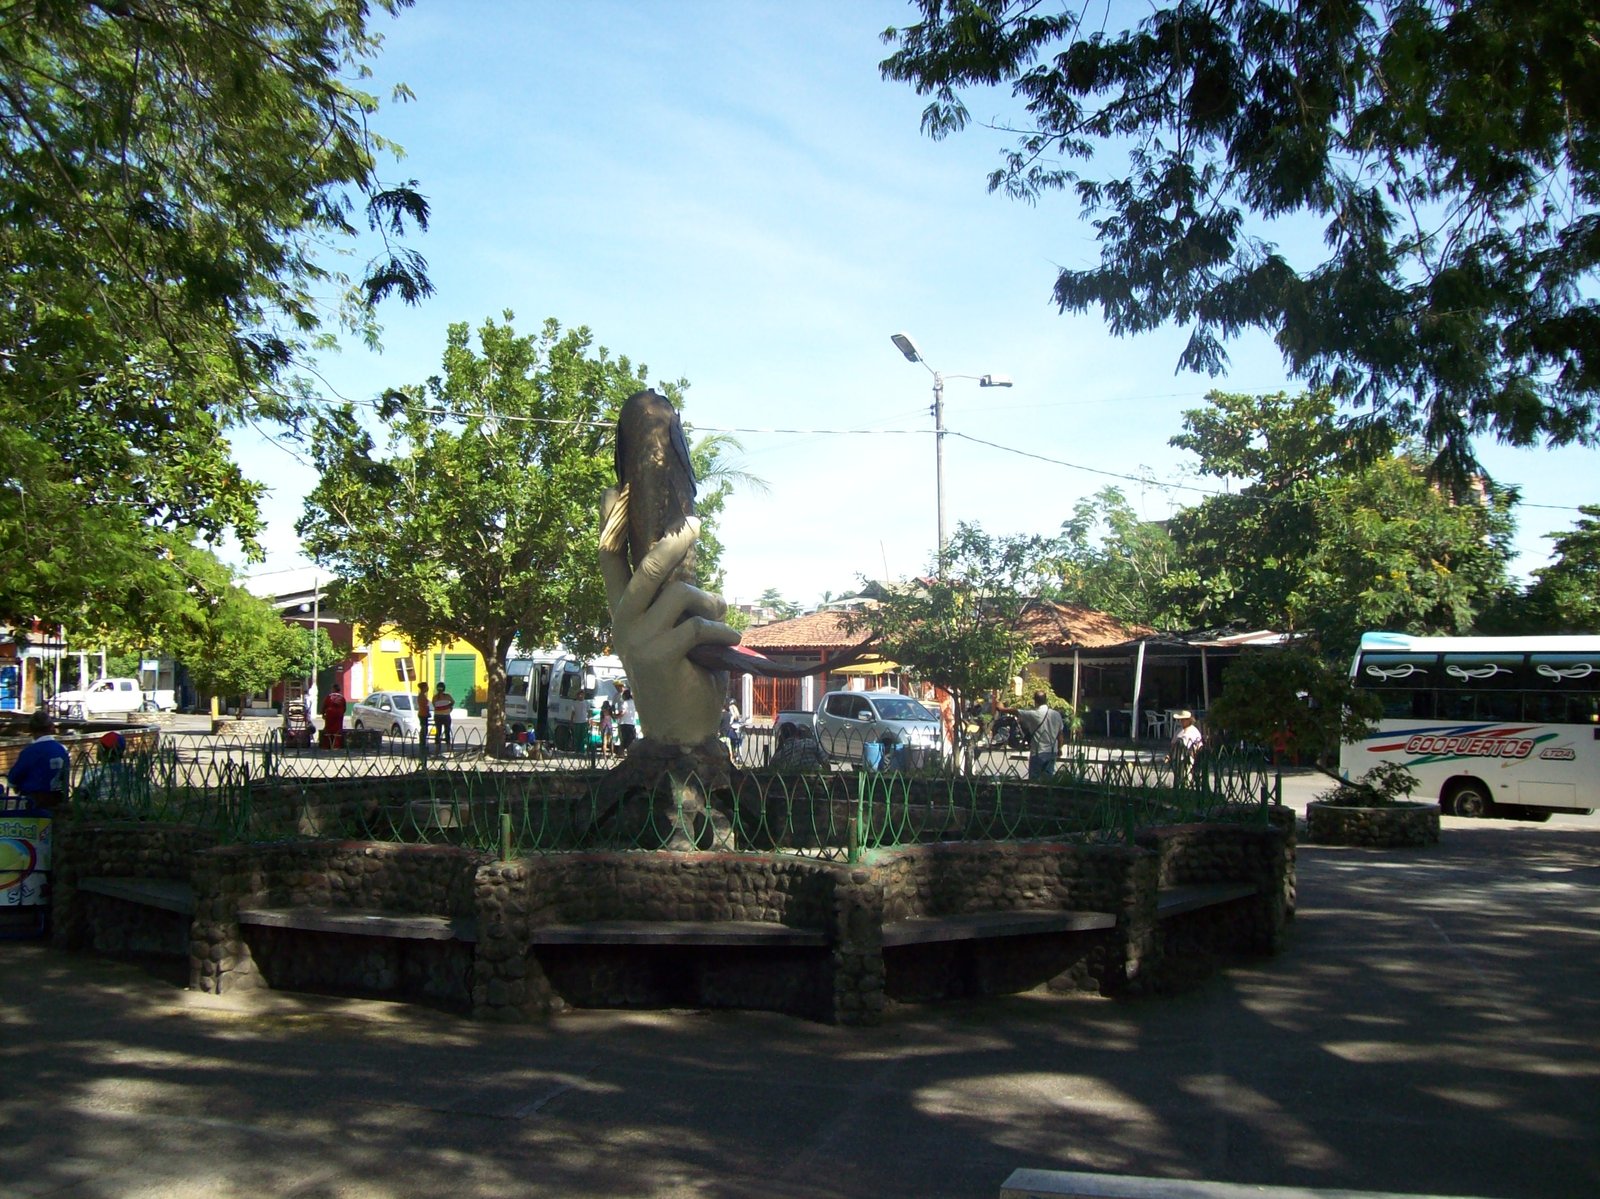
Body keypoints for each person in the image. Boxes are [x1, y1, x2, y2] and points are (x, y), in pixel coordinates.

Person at [7, 708, 71, 812]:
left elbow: (13, 778)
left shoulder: (29, 752)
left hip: (33, 803)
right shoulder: (63, 750)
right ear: (51, 727)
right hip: (58, 800)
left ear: (30, 729)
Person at [994, 690, 1065, 782]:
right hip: (1052, 752)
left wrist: (1002, 709)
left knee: (1034, 781)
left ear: (1035, 701)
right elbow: (1060, 736)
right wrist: (1059, 749)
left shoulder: (1034, 714)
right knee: (1048, 780)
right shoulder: (1056, 715)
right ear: (1046, 700)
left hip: (1038, 752)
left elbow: (1017, 712)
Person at [1170, 709, 1204, 781]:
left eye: (1183, 720)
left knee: (1186, 777)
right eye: (1180, 720)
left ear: (1189, 720)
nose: (1181, 721)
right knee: (1178, 777)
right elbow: (1173, 743)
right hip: (1177, 757)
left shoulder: (1194, 731)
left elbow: (1198, 745)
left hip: (1188, 757)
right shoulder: (1179, 730)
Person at [320, 685, 346, 750]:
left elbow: (324, 706)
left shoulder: (329, 697)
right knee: (337, 730)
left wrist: (323, 713)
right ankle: (336, 746)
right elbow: (344, 708)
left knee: (328, 729)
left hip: (330, 714)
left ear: (333, 689)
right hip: (339, 715)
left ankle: (327, 745)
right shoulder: (342, 698)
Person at [432, 681, 454, 748]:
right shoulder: (447, 696)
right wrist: (449, 708)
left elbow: (434, 705)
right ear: (444, 688)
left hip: (437, 716)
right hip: (446, 716)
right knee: (447, 731)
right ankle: (448, 747)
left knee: (438, 731)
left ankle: (437, 747)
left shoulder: (435, 697)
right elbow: (453, 702)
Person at [617, 687, 638, 751]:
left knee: (624, 741)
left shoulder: (625, 703)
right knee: (631, 741)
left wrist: (615, 716)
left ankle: (620, 753)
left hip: (624, 723)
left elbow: (622, 713)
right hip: (632, 723)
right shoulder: (634, 702)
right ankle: (631, 754)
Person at [415, 682, 431, 753]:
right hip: (423, 714)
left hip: (424, 714)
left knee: (425, 729)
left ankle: (423, 744)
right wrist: (427, 712)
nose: (427, 688)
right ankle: (422, 744)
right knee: (424, 729)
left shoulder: (422, 696)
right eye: (426, 687)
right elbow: (425, 706)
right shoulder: (421, 696)